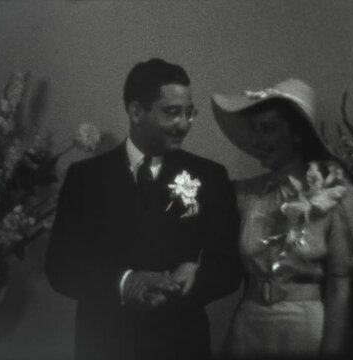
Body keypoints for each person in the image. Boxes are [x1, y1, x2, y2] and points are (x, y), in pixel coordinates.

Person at [45, 58, 242, 360]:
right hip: (105, 343)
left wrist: (190, 280)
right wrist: (124, 283)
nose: (184, 124)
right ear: (136, 111)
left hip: (180, 344)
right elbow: (60, 267)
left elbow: (229, 268)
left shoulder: (210, 176)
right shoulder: (86, 177)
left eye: (190, 113)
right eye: (172, 112)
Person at [211, 79, 353, 359]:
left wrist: (332, 350)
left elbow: (339, 283)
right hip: (250, 325)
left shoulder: (332, 196)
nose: (257, 140)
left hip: (303, 327)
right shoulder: (244, 195)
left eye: (268, 128)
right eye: (254, 129)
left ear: (296, 134)